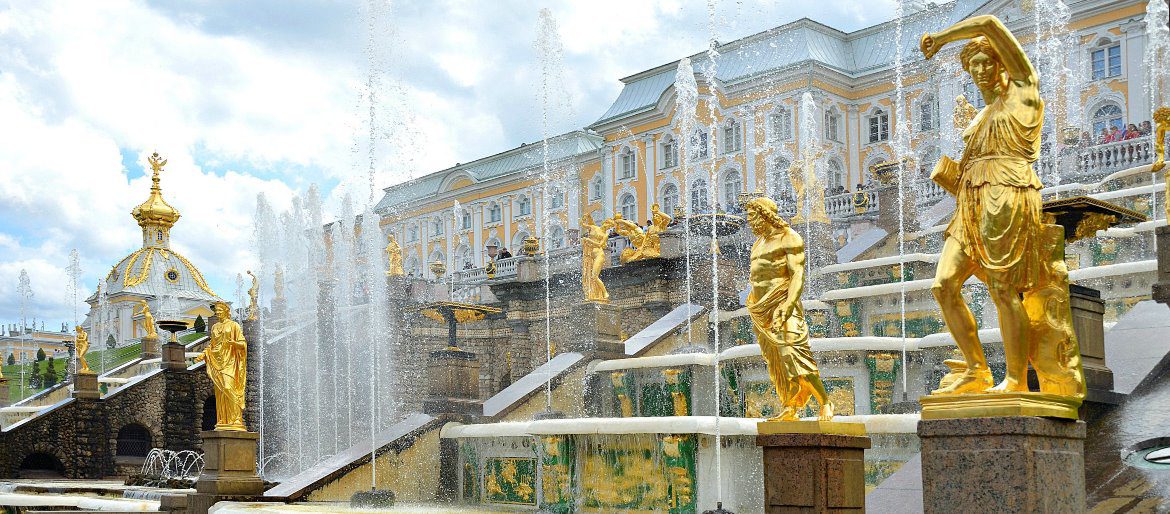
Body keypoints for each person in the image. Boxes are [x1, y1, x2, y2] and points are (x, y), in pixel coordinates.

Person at [920, 15, 1048, 394]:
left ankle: (1016, 379)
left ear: (1002, 63)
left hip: (1007, 195)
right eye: (972, 65)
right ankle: (977, 370)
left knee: (1002, 289)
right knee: (943, 285)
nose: (979, 71)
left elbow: (990, 24)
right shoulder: (979, 118)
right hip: (970, 205)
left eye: (985, 62)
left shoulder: (1023, 91)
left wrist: (941, 37)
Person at [744, 197, 834, 421]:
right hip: (761, 309)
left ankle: (825, 402)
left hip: (784, 304)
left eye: (752, 217)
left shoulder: (789, 237)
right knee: (776, 362)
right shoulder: (758, 243)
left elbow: (797, 275)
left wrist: (788, 304)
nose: (749, 222)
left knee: (793, 353)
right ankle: (790, 405)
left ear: (765, 215)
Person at [195, 302, 248, 431]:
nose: (218, 313)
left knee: (228, 387)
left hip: (230, 362)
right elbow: (212, 345)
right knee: (220, 392)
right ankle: (224, 419)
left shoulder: (234, 325)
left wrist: (234, 343)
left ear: (226, 311)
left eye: (220, 310)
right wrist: (203, 354)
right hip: (217, 361)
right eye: (216, 311)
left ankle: (236, 418)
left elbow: (243, 344)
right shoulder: (215, 327)